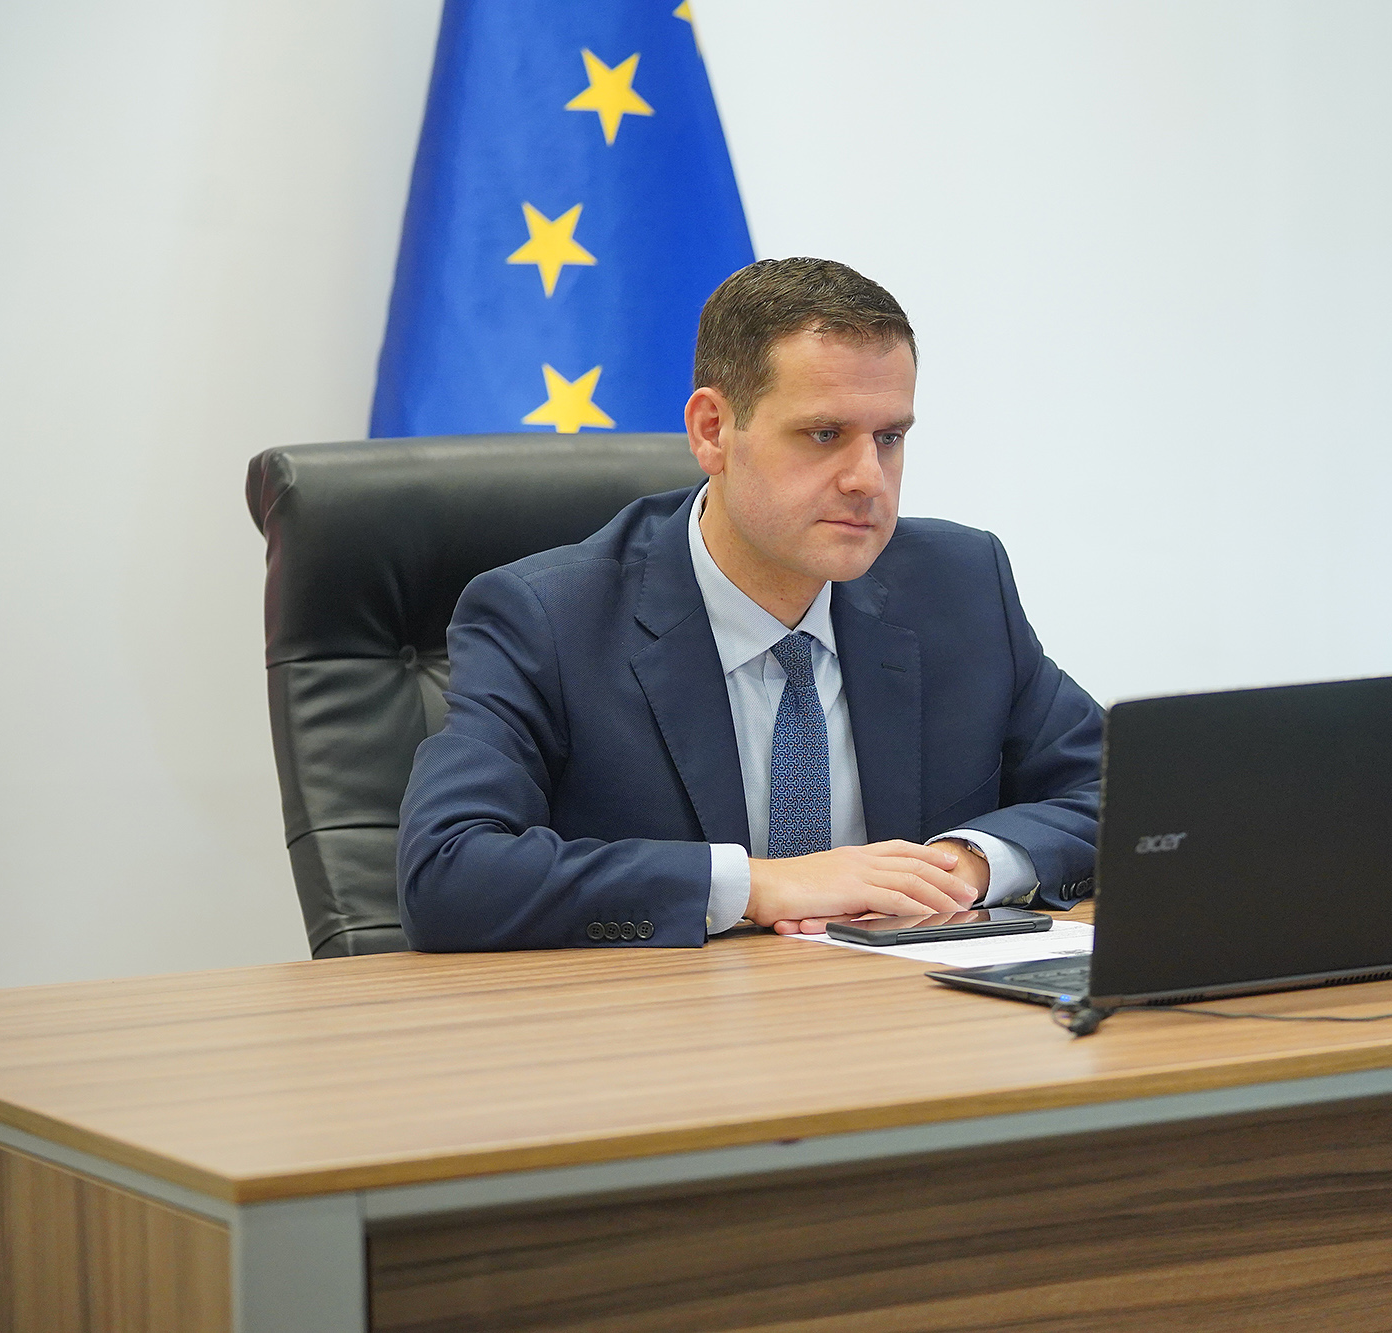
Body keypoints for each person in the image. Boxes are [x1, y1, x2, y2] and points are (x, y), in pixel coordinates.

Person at [398, 258, 1102, 949]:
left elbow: (1125, 790)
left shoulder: (960, 584)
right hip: (667, 1017)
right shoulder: (548, 618)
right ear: (712, 430)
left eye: (889, 438)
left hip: (896, 1010)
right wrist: (758, 885)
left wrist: (965, 864)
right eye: (824, 435)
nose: (868, 479)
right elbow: (448, 871)